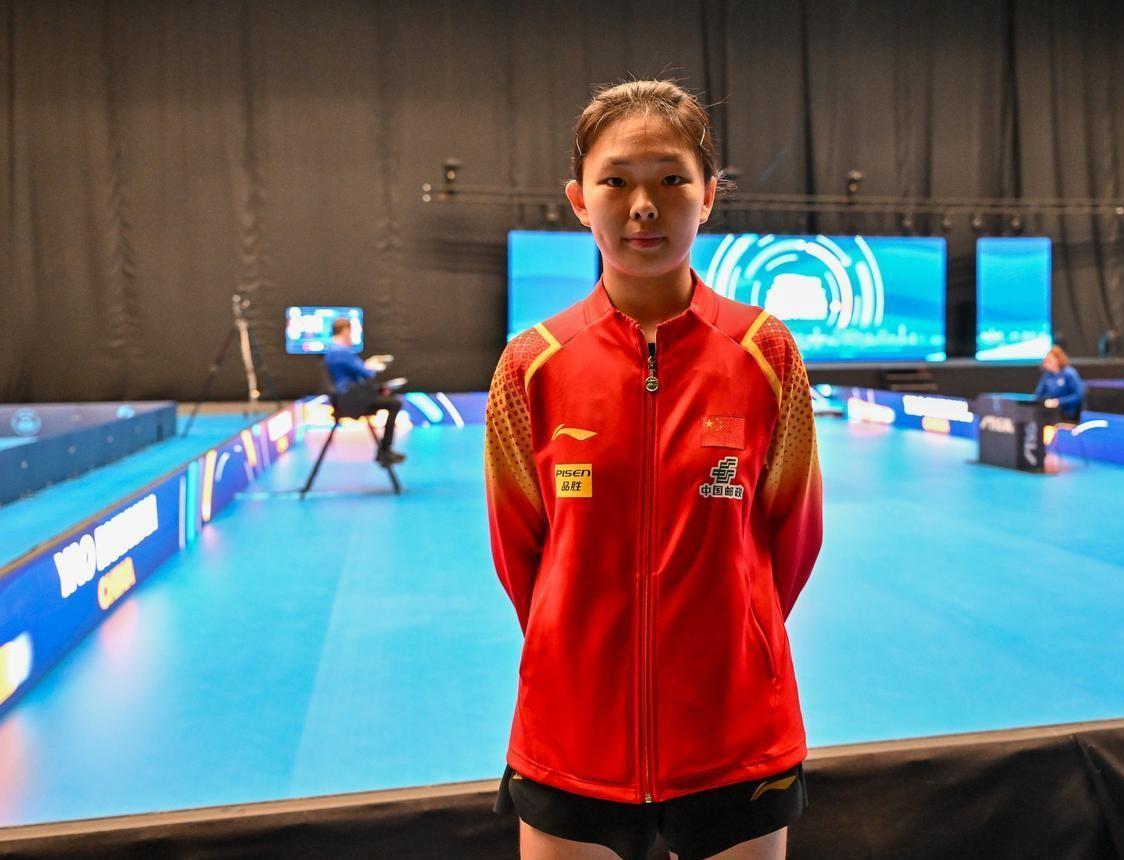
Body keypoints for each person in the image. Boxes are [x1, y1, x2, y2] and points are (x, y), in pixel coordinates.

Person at [484, 80, 823, 860]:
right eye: (616, 181)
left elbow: (793, 540)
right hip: (569, 730)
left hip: (737, 732)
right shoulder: (530, 364)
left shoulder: (767, 352)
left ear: (709, 196)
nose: (644, 205)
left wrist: (735, 638)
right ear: (579, 200)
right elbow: (519, 554)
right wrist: (579, 646)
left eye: (672, 179)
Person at [323, 317, 405, 465]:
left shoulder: (333, 351)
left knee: (384, 392)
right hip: (351, 401)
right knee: (395, 404)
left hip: (348, 397)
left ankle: (385, 451)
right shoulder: (341, 351)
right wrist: (371, 366)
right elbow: (367, 374)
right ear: (345, 331)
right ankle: (385, 450)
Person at [1033, 345, 1084, 423]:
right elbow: (1038, 394)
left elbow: (1078, 396)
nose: (1046, 363)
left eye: (1049, 360)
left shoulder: (1069, 374)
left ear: (1057, 360)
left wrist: (1059, 402)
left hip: (1067, 414)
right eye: (1045, 361)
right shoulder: (1047, 375)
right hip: (1049, 413)